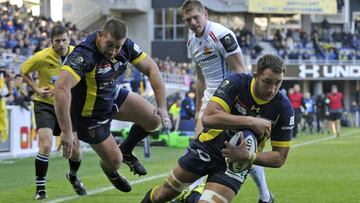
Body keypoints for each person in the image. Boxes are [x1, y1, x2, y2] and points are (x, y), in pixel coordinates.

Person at [141, 54, 294, 203]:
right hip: (207, 147)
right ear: (256, 76)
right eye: (267, 82)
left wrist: (249, 156)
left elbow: (279, 158)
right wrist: (250, 121)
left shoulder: (283, 108)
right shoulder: (237, 82)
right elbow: (208, 118)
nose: (272, 89)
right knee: (163, 194)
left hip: (236, 164)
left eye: (277, 83)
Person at [54, 18, 170, 192]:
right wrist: (66, 131)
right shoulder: (84, 55)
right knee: (115, 162)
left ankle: (127, 150)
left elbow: (152, 68)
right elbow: (61, 89)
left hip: (111, 95)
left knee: (154, 119)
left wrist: (162, 106)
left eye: (118, 46)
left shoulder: (126, 46)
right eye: (109, 45)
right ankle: (111, 170)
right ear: (100, 36)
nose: (113, 51)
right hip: (89, 114)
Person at [182, 1, 272, 202]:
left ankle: (265, 196)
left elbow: (240, 72)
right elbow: (200, 79)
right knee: (200, 145)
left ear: (205, 14)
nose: (192, 22)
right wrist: (198, 112)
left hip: (229, 99)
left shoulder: (222, 35)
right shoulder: (191, 41)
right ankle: (196, 190)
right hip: (208, 101)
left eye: (196, 17)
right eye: (188, 19)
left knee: (243, 147)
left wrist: (242, 107)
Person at [20, 25, 87, 200]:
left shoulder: (77, 54)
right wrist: (35, 88)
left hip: (67, 107)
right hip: (45, 105)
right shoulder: (41, 57)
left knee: (76, 151)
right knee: (46, 145)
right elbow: (23, 71)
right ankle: (40, 189)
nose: (61, 44)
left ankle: (72, 176)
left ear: (69, 39)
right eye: (57, 41)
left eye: (64, 40)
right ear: (51, 42)